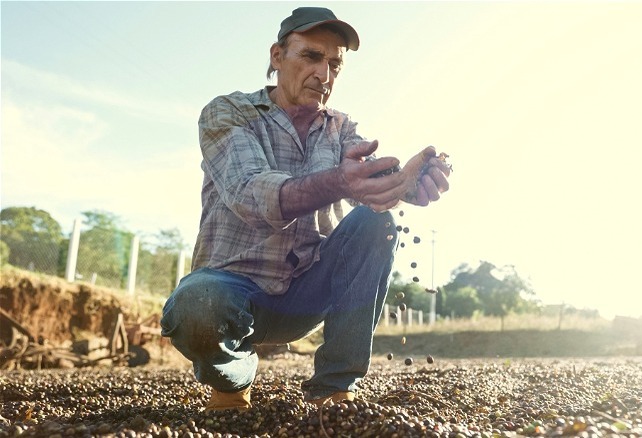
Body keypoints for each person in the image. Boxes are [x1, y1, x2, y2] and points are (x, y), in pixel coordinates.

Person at [160, 6, 451, 412]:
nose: (324, 74)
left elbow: (368, 182)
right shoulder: (229, 113)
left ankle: (334, 387)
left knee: (376, 222)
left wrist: (406, 184)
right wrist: (339, 181)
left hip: (309, 293)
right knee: (197, 304)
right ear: (277, 56)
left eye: (335, 64)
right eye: (311, 57)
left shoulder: (341, 128)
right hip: (233, 290)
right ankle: (232, 384)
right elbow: (250, 192)